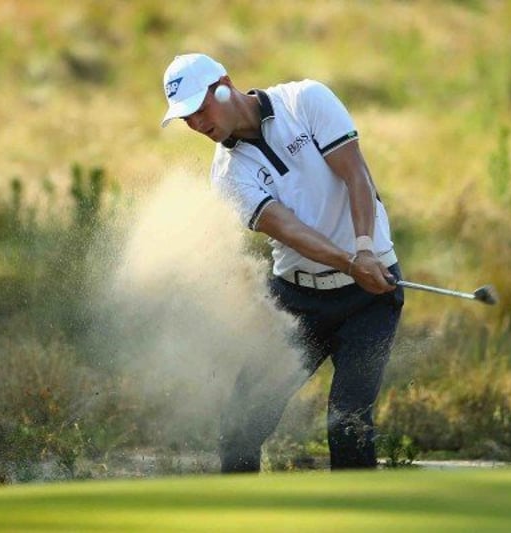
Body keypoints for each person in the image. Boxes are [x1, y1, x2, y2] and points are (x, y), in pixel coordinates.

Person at [160, 53, 405, 473]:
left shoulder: (306, 101)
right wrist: (350, 262)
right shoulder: (226, 175)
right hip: (297, 302)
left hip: (371, 294)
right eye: (187, 120)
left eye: (201, 110)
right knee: (240, 425)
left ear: (224, 83)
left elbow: (356, 175)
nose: (198, 125)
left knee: (347, 422)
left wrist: (364, 250)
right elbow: (287, 229)